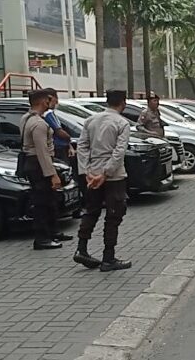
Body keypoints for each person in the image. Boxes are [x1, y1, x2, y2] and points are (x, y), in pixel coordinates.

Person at [74, 90, 132, 271]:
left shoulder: (91, 120)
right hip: (114, 176)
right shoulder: (122, 123)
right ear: (123, 103)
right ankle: (109, 257)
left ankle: (81, 248)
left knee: (91, 211)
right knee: (114, 215)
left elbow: (82, 145)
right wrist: (106, 174)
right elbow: (119, 151)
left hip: (92, 173)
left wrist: (86, 171)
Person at [19, 89, 69, 250]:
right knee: (41, 202)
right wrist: (52, 174)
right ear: (42, 102)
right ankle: (42, 238)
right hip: (38, 165)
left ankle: (51, 233)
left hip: (33, 163)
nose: (50, 103)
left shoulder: (26, 119)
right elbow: (42, 151)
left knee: (48, 201)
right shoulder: (38, 124)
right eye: (48, 101)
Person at [42, 88, 74, 163]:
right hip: (58, 147)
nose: (56, 102)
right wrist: (69, 138)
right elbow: (58, 131)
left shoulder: (47, 113)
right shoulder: (48, 113)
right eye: (55, 99)